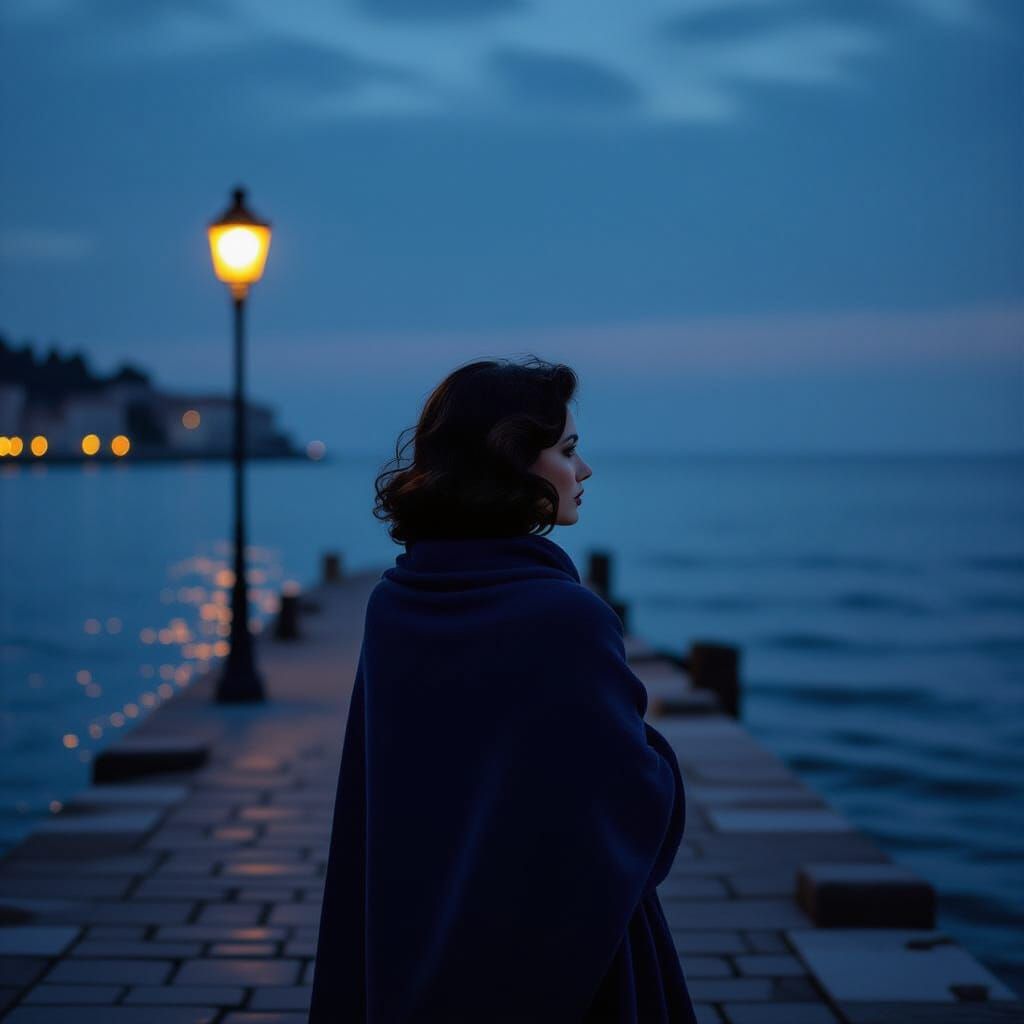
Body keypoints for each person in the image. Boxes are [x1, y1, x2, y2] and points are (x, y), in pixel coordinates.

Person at [308, 356, 697, 1023]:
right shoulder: (568, 616)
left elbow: (379, 800)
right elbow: (632, 803)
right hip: (566, 967)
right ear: (513, 463)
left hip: (418, 945)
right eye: (568, 450)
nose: (584, 470)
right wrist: (653, 752)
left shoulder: (394, 603)